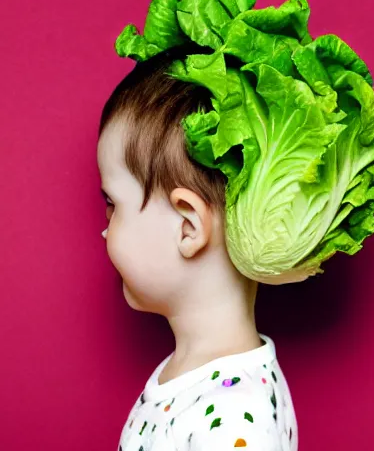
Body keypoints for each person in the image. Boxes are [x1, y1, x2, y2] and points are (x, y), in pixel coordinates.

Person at [97, 46, 298, 450]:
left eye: (112, 206)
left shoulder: (230, 419)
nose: (104, 232)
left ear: (188, 226)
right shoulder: (195, 378)